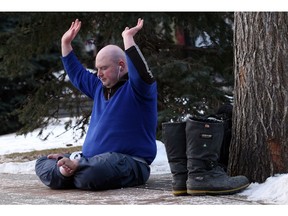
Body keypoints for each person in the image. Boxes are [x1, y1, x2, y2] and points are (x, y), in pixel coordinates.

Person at [35, 18, 158, 191]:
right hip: (91, 160)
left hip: (129, 163)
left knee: (94, 172)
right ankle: (70, 169)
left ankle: (72, 170)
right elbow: (77, 74)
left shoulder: (140, 90)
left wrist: (128, 39)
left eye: (103, 68)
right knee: (43, 162)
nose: (98, 74)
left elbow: (141, 71)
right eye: (97, 68)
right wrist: (66, 43)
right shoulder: (99, 88)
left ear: (121, 65)